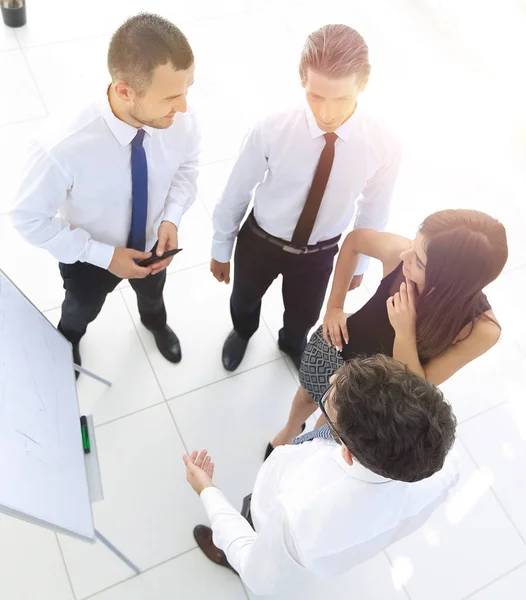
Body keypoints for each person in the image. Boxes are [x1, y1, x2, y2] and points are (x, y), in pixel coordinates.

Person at [10, 13, 199, 374]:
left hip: (153, 245)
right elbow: (27, 218)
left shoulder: (177, 116)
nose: (185, 107)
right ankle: (68, 341)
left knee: (152, 295)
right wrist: (101, 255)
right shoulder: (62, 146)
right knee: (80, 308)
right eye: (173, 96)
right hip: (88, 258)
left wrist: (172, 216)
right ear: (126, 90)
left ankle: (155, 324)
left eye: (188, 89)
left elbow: (187, 168)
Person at [210, 24, 402, 372]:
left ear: (364, 83)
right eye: (316, 96)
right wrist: (221, 246)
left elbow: (375, 208)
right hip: (260, 241)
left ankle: (291, 344)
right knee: (243, 300)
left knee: (304, 315)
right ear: (302, 79)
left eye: (341, 98)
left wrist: (359, 264)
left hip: (319, 253)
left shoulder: (382, 143)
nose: (326, 113)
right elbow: (237, 189)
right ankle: (243, 332)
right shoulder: (271, 128)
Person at [183, 355, 459, 596]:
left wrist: (208, 491)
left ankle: (223, 556)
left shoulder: (300, 514)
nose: (331, 375)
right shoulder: (444, 463)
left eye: (329, 400)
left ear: (348, 452)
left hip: (262, 525)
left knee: (244, 534)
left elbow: (258, 574)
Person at [268, 209, 508, 455]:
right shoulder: (400, 256)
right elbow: (355, 241)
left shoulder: (480, 329)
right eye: (413, 246)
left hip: (374, 391)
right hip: (337, 348)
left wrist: (404, 331)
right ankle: (290, 429)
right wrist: (334, 307)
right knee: (306, 395)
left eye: (419, 261)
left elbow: (417, 388)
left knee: (329, 429)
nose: (406, 255)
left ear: (451, 281)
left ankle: (303, 447)